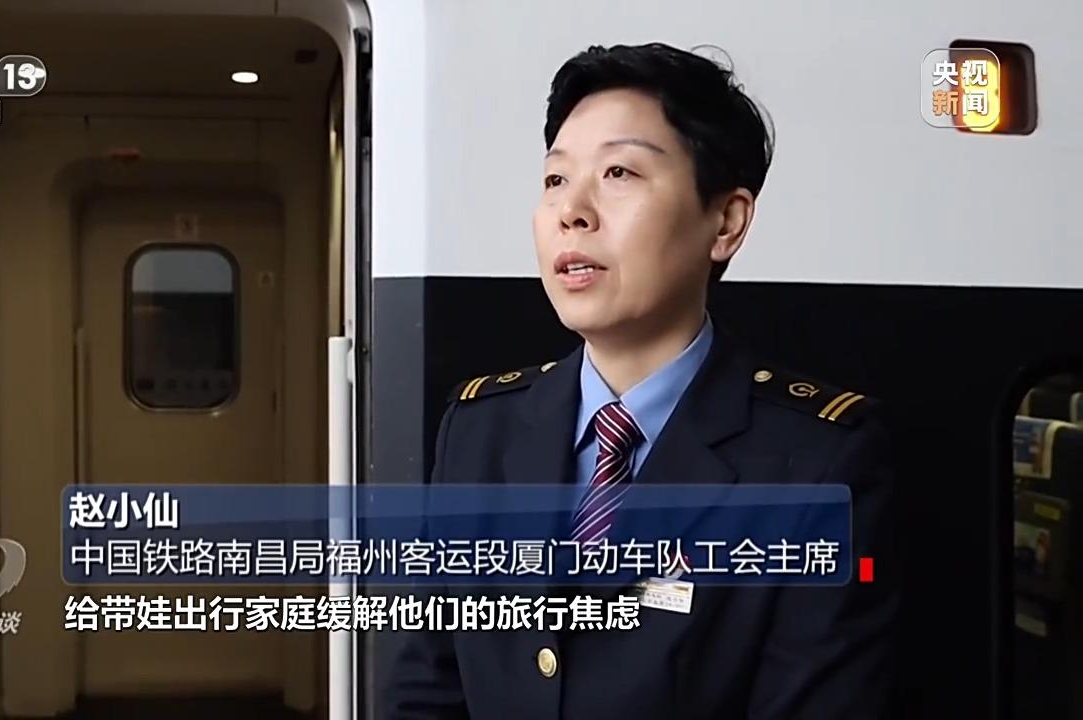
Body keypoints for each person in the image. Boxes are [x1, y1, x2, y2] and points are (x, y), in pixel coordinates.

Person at [379, 42, 899, 719]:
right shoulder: (481, 428)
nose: (572, 211)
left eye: (619, 172)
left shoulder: (818, 462)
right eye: (555, 179)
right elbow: (427, 686)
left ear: (726, 222)